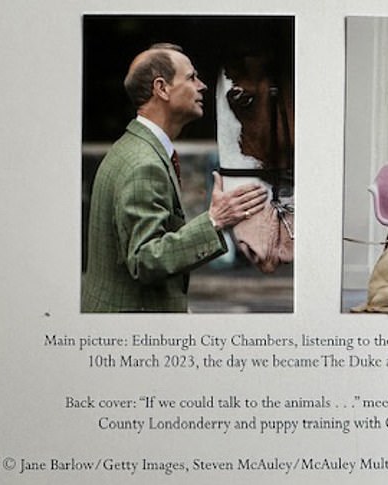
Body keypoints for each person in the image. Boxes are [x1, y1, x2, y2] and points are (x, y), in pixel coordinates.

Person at [82, 43, 268, 312]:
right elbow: (145, 260)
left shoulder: (136, 149)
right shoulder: (143, 164)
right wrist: (215, 220)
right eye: (191, 77)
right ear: (162, 88)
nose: (202, 86)